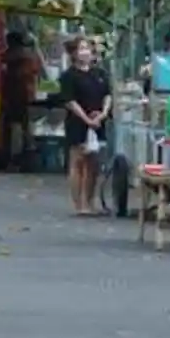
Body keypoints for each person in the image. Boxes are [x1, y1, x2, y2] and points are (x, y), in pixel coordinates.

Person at [59, 35, 111, 216]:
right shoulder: (68, 76)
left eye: (88, 48)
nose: (85, 52)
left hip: (98, 122)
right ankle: (78, 204)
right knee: (78, 161)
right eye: (81, 49)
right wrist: (86, 119)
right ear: (73, 53)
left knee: (94, 164)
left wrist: (103, 113)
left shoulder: (100, 74)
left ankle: (90, 201)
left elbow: (107, 95)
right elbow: (70, 101)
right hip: (78, 122)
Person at [0, 31, 39, 171]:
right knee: (22, 127)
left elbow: (15, 73)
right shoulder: (29, 56)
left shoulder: (15, 56)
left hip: (16, 96)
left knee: (14, 128)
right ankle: (21, 158)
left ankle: (14, 159)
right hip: (23, 96)